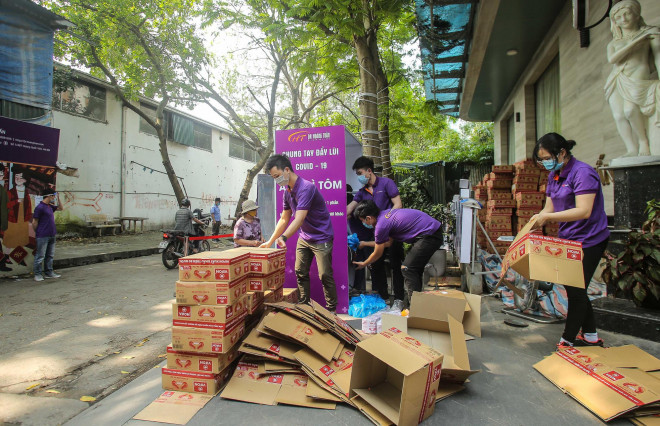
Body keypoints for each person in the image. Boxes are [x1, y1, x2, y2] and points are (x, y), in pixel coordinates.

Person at [531, 133, 610, 349]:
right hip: (569, 239)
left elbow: (584, 211)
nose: (545, 162)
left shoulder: (583, 173)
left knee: (576, 289)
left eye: (547, 157)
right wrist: (538, 219)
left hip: (590, 239)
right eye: (541, 159)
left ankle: (567, 340)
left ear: (562, 153)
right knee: (576, 288)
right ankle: (591, 337)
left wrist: (547, 218)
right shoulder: (554, 175)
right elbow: (549, 208)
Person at [260, 154, 337, 312]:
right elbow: (284, 219)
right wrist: (270, 242)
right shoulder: (287, 192)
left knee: (325, 275)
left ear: (286, 170)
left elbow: (299, 218)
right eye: (274, 177)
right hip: (305, 237)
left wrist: (284, 237)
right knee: (300, 271)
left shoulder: (306, 188)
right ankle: (304, 305)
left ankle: (332, 310)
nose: (276, 180)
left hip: (321, 237)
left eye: (277, 176)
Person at [352, 200, 443, 306]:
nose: (363, 223)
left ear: (369, 218)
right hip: (431, 231)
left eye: (363, 221)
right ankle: (418, 305)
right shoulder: (385, 216)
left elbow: (378, 253)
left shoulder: (381, 225)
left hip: (429, 234)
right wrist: (365, 244)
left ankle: (415, 308)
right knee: (414, 269)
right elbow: (387, 243)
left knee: (407, 268)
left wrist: (364, 263)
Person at [604, 0, 660, 157]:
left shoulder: (651, 33)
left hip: (638, 74)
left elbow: (658, 57)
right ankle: (631, 149)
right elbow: (613, 60)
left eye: (627, 13)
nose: (623, 19)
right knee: (619, 115)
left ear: (636, 14)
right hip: (617, 77)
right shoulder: (614, 43)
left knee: (629, 110)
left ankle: (643, 142)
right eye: (618, 17)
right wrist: (635, 41)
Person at [347, 156, 404, 302]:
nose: (359, 177)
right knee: (376, 266)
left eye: (360, 173)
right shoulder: (362, 192)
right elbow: (350, 208)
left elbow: (398, 204)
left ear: (369, 171)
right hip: (376, 235)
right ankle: (382, 298)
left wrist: (385, 220)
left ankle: (399, 299)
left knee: (396, 266)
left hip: (393, 232)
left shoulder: (386, 183)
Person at [32, 188, 63, 281]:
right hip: (42, 235)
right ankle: (37, 274)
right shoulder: (40, 207)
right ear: (49, 196)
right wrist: (38, 232)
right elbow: (34, 222)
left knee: (50, 255)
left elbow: (61, 208)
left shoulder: (50, 206)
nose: (54, 198)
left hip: (51, 234)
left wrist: (58, 198)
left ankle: (49, 272)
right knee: (40, 256)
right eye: (53, 196)